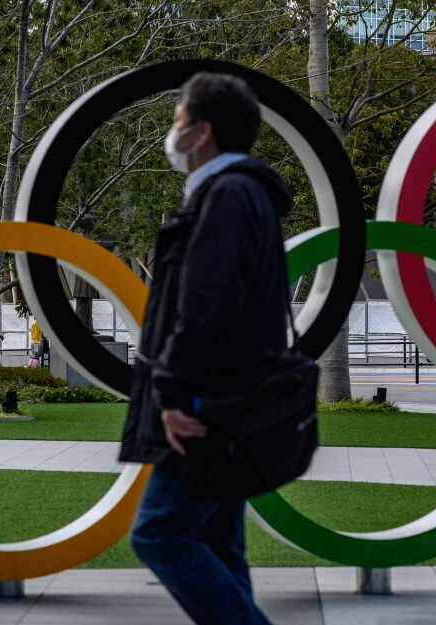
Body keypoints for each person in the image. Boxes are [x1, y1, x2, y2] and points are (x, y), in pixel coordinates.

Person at [120, 72, 290, 625]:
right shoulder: (237, 194)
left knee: (160, 532)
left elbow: (206, 307)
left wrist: (172, 393)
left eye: (178, 122)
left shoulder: (228, 196)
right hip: (229, 402)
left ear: (203, 133)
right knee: (218, 542)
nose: (174, 134)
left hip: (207, 405)